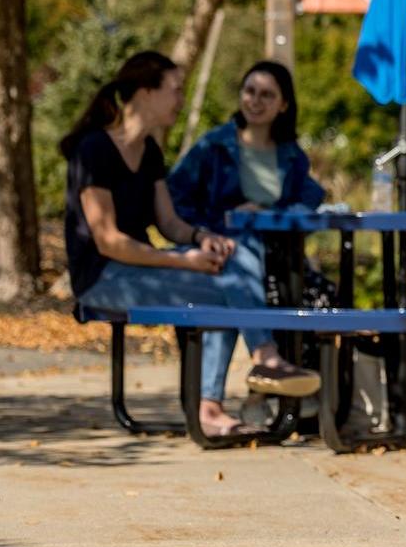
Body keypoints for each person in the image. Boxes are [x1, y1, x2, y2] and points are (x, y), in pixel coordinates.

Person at [64, 51, 323, 437]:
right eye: (175, 90)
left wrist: (204, 238)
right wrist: (184, 262)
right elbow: (109, 242)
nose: (181, 100)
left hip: (134, 266)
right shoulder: (94, 149)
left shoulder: (150, 151)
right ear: (145, 92)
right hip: (103, 277)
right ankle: (231, 388)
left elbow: (169, 222)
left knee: (228, 271)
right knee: (223, 294)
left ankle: (218, 398)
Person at [169, 60, 327, 232]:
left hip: (275, 250)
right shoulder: (214, 145)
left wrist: (269, 216)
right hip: (221, 247)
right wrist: (206, 231)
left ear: (284, 105)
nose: (255, 101)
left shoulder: (292, 154)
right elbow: (173, 195)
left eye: (267, 94)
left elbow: (309, 200)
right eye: (250, 91)